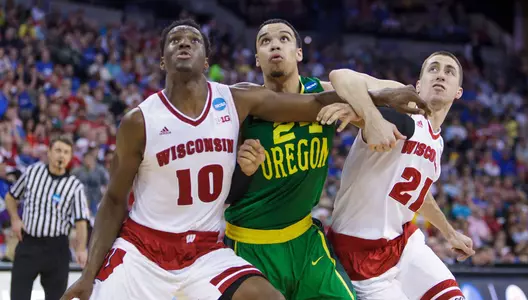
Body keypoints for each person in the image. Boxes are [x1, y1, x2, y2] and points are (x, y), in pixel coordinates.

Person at [60, 18, 380, 300]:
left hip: (204, 251)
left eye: (194, 40)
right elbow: (114, 200)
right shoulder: (139, 121)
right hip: (144, 250)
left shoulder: (234, 101)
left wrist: (384, 101)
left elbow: (312, 103)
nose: (184, 43)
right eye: (175, 40)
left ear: (206, 61)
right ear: (162, 60)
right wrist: (89, 273)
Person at [223, 18, 431, 300]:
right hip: (251, 245)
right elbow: (224, 194)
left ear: (299, 53)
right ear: (257, 59)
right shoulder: (243, 101)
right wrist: (244, 170)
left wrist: (361, 112)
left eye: (284, 38)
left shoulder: (322, 93)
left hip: (304, 240)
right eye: (265, 41)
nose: (275, 44)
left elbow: (402, 112)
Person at [321, 51, 476, 300]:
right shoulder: (401, 110)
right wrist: (367, 115)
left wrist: (450, 233)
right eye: (433, 69)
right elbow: (341, 77)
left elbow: (418, 196)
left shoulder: (438, 144)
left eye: (450, 72)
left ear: (458, 91)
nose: (441, 75)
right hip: (359, 252)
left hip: (403, 242)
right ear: (417, 85)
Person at [6, 135, 89, 300]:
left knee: (56, 297)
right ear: (49, 152)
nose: (61, 155)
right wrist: (15, 219)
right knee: (18, 295)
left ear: (70, 157)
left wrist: (80, 249)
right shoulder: (33, 172)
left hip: (56, 248)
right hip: (29, 243)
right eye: (58, 150)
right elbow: (11, 196)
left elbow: (81, 221)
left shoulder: (75, 186)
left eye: (66, 152)